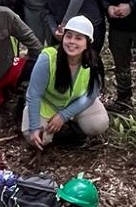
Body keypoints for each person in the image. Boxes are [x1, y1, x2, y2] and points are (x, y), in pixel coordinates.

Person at [22, 16, 108, 150]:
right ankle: (50, 130)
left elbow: (91, 94)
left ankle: (75, 127)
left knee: (98, 124)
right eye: (69, 36)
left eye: (78, 38)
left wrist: (64, 116)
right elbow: (34, 94)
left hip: (76, 102)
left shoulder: (93, 62)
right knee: (35, 137)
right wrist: (34, 127)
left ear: (87, 42)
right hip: (48, 104)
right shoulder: (48, 58)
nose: (72, 42)